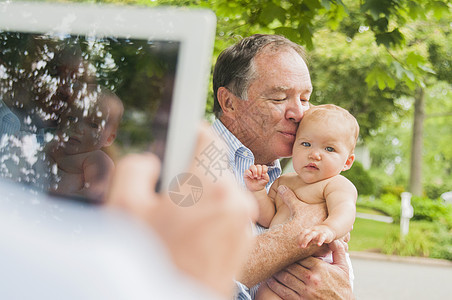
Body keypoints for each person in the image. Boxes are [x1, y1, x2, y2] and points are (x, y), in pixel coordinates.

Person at [212, 34, 354, 299]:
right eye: (279, 98)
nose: (299, 113)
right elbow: (188, 279)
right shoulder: (190, 171)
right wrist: (296, 234)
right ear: (229, 103)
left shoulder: (298, 176)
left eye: (305, 98)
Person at [245, 104, 359, 299]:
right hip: (278, 264)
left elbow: (345, 210)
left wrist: (328, 229)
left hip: (321, 264)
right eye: (306, 144)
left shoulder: (335, 184)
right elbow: (267, 218)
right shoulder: (283, 181)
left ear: (347, 162)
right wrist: (257, 192)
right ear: (294, 146)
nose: (314, 154)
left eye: (329, 148)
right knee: (264, 295)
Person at [46, 87, 124, 201]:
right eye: (71, 118)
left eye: (93, 125)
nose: (78, 128)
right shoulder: (53, 147)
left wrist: (54, 193)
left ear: (109, 138)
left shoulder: (97, 160)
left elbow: (96, 196)